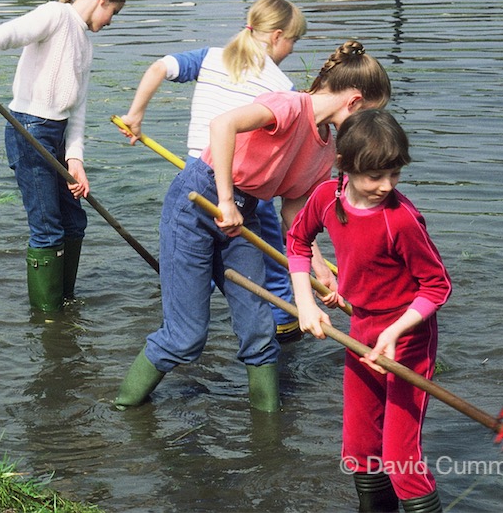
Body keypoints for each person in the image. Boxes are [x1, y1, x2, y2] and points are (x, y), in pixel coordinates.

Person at [115, 40, 391, 412]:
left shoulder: (326, 147)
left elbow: (295, 212)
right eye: (370, 117)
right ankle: (122, 411)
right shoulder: (289, 105)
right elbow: (222, 124)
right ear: (354, 102)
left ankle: (269, 437)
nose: (367, 130)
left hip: (241, 218)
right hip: (199, 201)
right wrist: (226, 200)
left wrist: (319, 265)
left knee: (260, 333)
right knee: (186, 337)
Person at [288, 109, 451, 513]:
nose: (385, 186)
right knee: (360, 447)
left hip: (407, 337)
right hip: (360, 329)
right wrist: (306, 303)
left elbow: (437, 286)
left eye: (394, 174)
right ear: (344, 166)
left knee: (400, 456)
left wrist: (394, 333)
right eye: (374, 176)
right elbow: (297, 242)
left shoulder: (402, 219)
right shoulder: (326, 197)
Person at [119, 0, 307, 341]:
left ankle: (185, 320)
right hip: (244, 183)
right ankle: (284, 321)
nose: (293, 49)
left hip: (194, 174)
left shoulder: (210, 57)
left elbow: (160, 66)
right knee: (271, 254)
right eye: (294, 40)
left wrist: (135, 115)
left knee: (195, 252)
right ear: (278, 36)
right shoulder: (283, 87)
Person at [0, 0, 126, 313]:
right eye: (114, 12)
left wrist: (75, 161)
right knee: (47, 228)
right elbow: (9, 33)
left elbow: (77, 109)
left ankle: (64, 304)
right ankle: (47, 317)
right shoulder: (56, 15)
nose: (111, 21)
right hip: (28, 130)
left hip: (59, 136)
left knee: (75, 222)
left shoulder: (86, 46)